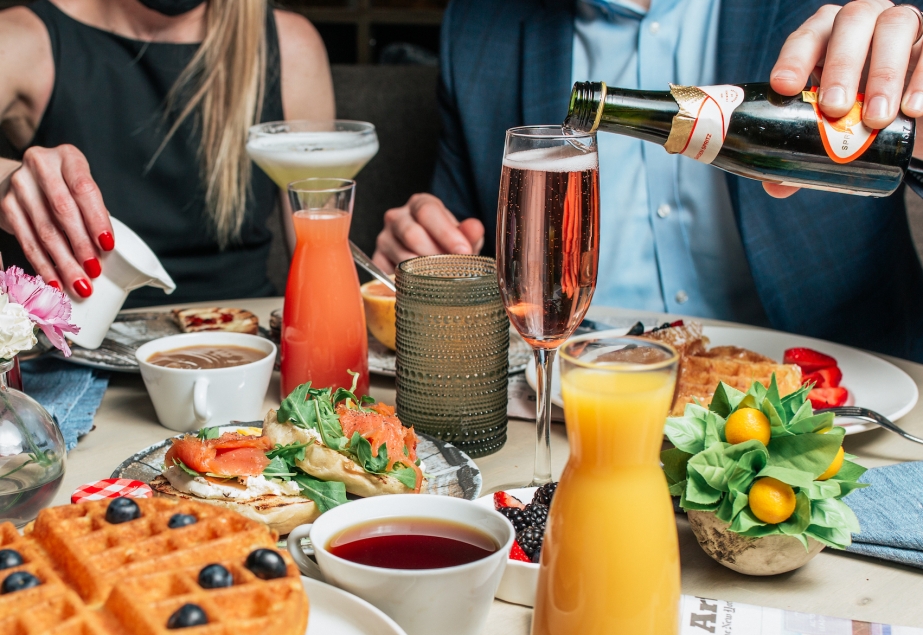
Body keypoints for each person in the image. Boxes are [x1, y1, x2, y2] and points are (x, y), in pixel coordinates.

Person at [373, 0, 923, 362]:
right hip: (575, 405)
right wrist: (424, 245)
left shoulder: (850, 10)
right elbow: (471, 234)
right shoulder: (479, 25)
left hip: (838, 411)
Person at [0, 0, 333, 305]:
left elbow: (323, 260)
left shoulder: (291, 45)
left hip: (246, 341)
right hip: (77, 349)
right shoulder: (24, 37)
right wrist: (9, 181)